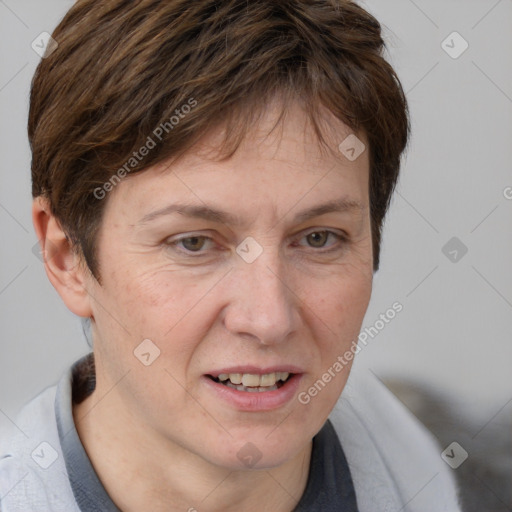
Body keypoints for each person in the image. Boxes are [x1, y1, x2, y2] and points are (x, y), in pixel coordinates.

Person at [0, 0, 463, 510]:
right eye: (194, 243)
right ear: (67, 259)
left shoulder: (418, 459)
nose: (269, 319)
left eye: (317, 238)